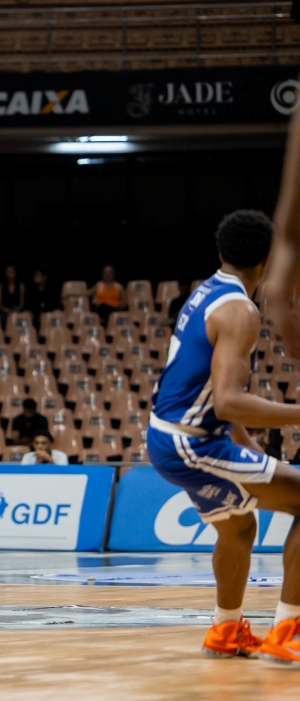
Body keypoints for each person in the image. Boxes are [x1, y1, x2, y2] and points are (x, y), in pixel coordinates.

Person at [148, 208, 300, 667]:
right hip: (192, 441)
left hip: (168, 436)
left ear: (221, 252)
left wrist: (245, 447)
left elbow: (210, 386)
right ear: (269, 260)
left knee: (238, 526)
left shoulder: (209, 291)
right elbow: (229, 401)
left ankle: (226, 629)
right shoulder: (240, 311)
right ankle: (288, 634)